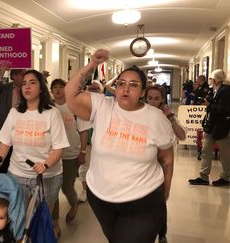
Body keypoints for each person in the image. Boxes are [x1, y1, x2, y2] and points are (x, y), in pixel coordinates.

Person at [65, 49, 175, 243]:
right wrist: (91, 65)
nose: (125, 89)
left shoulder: (156, 118)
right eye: (121, 84)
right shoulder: (102, 105)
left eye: (133, 85)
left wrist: (165, 191)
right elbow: (70, 94)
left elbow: (166, 157)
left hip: (143, 199)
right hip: (101, 198)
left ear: (143, 92)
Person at [0, 69, 69, 215]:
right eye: (24, 83)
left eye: (32, 83)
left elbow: (59, 148)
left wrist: (45, 165)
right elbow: (5, 142)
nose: (27, 87)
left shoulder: (52, 113)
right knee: (18, 217)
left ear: (41, 88)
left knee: (42, 218)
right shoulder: (15, 112)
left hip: (47, 176)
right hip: (17, 174)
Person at [145, 84, 186, 243]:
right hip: (144, 162)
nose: (153, 102)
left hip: (162, 163)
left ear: (162, 99)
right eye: (150, 98)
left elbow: (182, 136)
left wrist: (170, 117)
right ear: (145, 98)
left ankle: (162, 233)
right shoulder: (140, 113)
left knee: (160, 200)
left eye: (156, 99)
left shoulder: (168, 115)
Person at [49, 78, 88, 238]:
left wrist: (83, 152)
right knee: (53, 191)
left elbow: (83, 131)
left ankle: (74, 204)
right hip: (52, 155)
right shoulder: (48, 107)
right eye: (55, 88)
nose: (58, 90)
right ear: (51, 91)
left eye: (61, 87)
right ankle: (55, 223)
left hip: (71, 153)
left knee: (67, 187)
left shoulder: (74, 106)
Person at [189, 69, 230, 186]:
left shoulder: (226, 91)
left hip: (221, 127)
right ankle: (203, 176)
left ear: (215, 80)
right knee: (206, 151)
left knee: (225, 153)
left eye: (211, 79)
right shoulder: (214, 90)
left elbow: (224, 109)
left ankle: (226, 177)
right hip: (210, 125)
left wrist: (209, 105)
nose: (210, 81)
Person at [0, 63, 26, 173]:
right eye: (22, 74)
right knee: (4, 162)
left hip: (22, 132)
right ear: (13, 76)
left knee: (20, 161)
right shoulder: (5, 87)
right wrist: (1, 73)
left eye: (25, 73)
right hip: (5, 130)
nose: (25, 76)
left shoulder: (27, 89)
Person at [78, 80, 104, 203]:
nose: (93, 91)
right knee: (84, 168)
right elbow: (83, 130)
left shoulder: (108, 106)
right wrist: (82, 151)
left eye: (96, 89)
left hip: (104, 146)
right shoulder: (82, 107)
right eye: (91, 89)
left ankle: (99, 190)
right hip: (88, 145)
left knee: (102, 168)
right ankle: (85, 190)